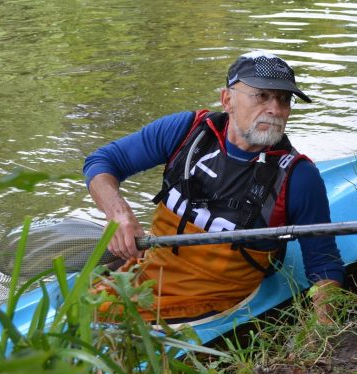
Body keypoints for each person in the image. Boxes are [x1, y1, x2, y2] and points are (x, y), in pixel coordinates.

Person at [83, 51, 343, 323]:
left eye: (283, 99)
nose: (275, 110)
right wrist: (119, 213)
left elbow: (323, 266)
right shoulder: (185, 131)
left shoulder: (299, 178)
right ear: (227, 99)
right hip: (148, 274)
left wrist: (321, 337)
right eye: (262, 96)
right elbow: (102, 161)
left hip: (212, 304)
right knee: (77, 312)